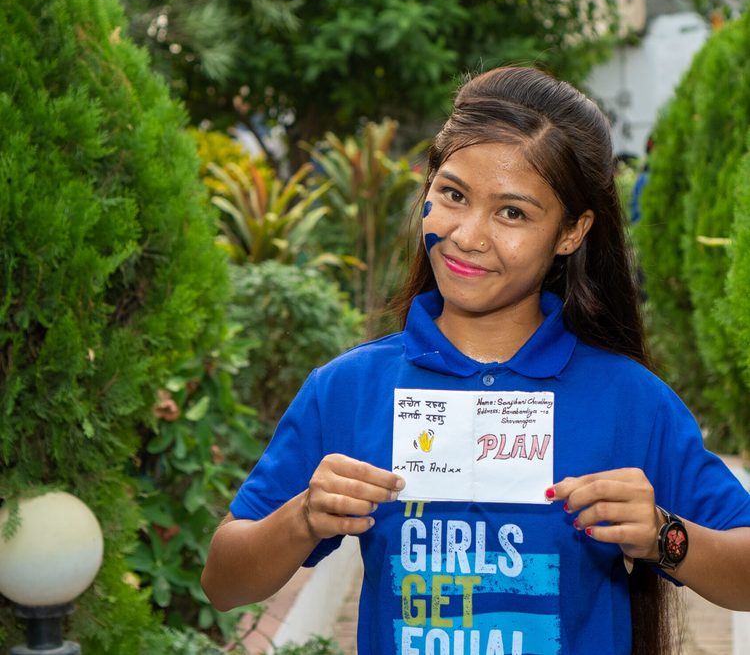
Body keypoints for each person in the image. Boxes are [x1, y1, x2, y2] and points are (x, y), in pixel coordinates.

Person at [201, 67, 750, 655]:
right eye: (454, 195)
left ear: (571, 231)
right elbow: (224, 582)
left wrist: (666, 536)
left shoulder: (630, 400)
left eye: (512, 213)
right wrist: (302, 518)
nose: (468, 235)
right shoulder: (349, 389)